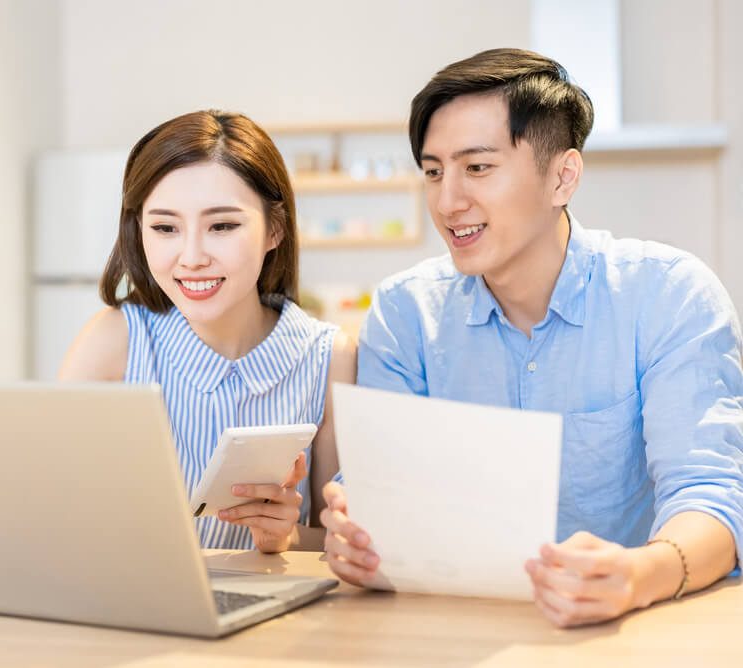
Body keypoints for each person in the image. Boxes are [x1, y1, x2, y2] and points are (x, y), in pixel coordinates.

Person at [321, 48, 743, 627]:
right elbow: (377, 491)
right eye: (433, 171)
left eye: (478, 167)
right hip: (452, 631)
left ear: (561, 177)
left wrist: (641, 574)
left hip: (635, 627)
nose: (447, 202)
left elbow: (712, 494)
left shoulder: (668, 295)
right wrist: (356, 532)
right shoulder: (404, 312)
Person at [58, 110, 356, 554]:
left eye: (222, 226)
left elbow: (337, 538)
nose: (192, 257)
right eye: (164, 228)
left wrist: (285, 537)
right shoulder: (112, 342)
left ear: (275, 228)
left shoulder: (328, 357)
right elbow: (51, 511)